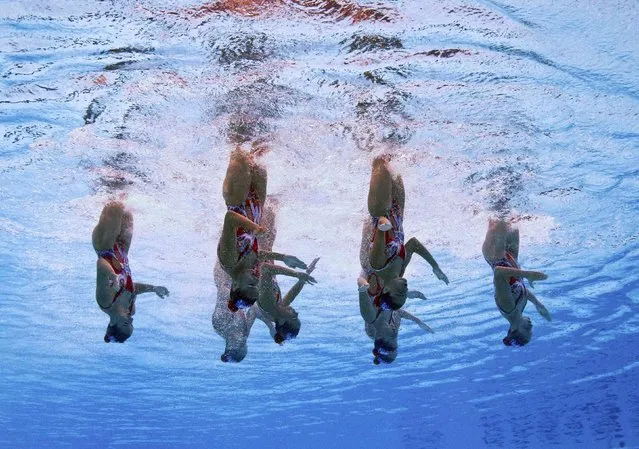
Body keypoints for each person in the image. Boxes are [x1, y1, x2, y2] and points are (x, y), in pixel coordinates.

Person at [357, 156, 449, 363]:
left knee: (381, 161)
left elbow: (364, 288)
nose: (395, 332)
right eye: (396, 336)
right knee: (394, 164)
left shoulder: (371, 324)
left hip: (377, 251)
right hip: (395, 226)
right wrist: (418, 321)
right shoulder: (393, 312)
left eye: (392, 337)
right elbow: (397, 310)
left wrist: (364, 282)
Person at [213, 199, 311, 361]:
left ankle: (260, 202)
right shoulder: (244, 333)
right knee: (266, 234)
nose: (244, 343)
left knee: (257, 234)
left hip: (231, 277)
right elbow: (254, 311)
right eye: (244, 345)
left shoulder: (220, 325)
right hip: (244, 279)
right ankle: (268, 202)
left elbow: (224, 292)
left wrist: (238, 285)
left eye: (241, 346)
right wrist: (272, 328)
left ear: (231, 346)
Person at [92, 201, 169, 343]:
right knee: (128, 210)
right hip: (122, 252)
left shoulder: (106, 302)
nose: (131, 319)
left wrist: (111, 275)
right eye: (132, 323)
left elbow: (101, 263)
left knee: (115, 205)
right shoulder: (130, 309)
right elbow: (133, 288)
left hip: (105, 246)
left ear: (112, 324)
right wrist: (153, 288)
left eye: (126, 323)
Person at [482, 217, 551, 346]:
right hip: (510, 257)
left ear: (513, 329)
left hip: (495, 255)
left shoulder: (507, 307)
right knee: (512, 218)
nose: (531, 326)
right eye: (531, 330)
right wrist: (538, 304)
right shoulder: (518, 310)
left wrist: (528, 274)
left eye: (527, 329)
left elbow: (498, 272)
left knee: (499, 213)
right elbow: (522, 292)